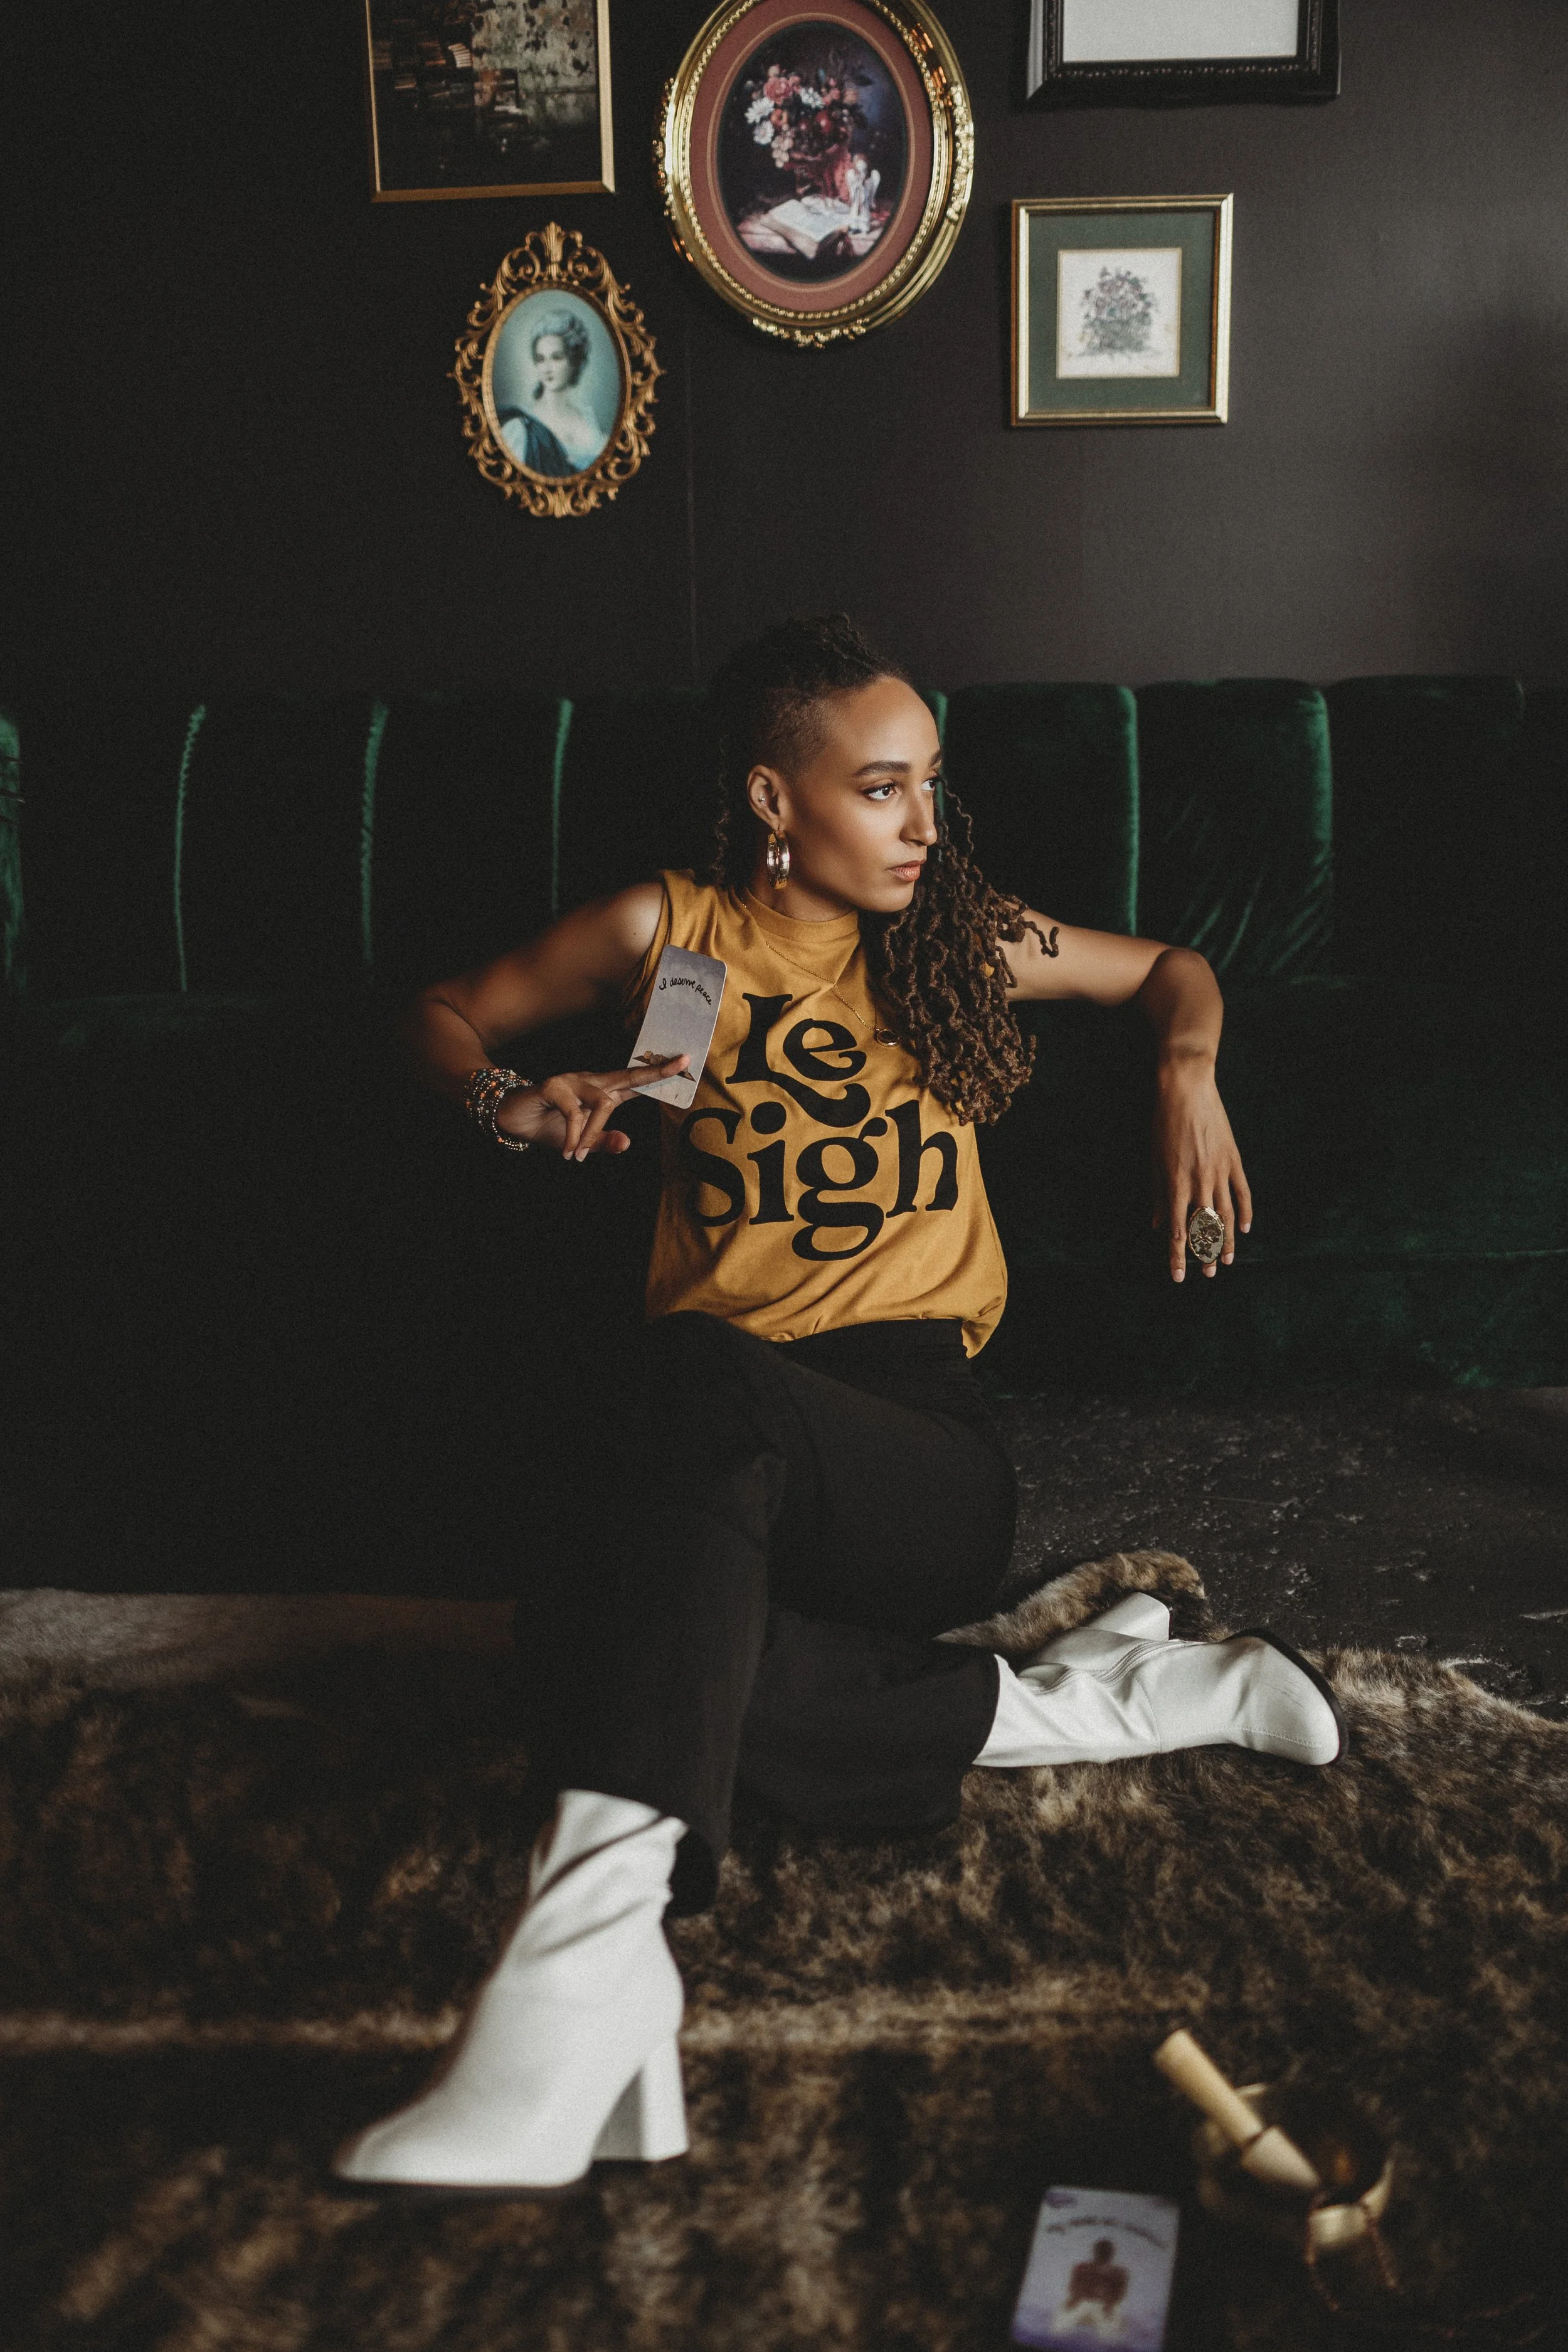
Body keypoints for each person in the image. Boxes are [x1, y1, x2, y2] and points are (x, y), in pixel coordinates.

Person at [332, 614, 1345, 2200]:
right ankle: (1098, 1703)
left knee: (638, 1542)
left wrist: (1185, 1069)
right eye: (884, 788)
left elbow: (1171, 970)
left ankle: (580, 1981)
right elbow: (437, 1013)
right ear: (771, 797)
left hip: (912, 1456)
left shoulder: (958, 931)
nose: (928, 824)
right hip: (715, 1453)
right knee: (595, 1640)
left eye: (934, 784)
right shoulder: (671, 937)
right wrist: (515, 1100)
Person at [497, 309, 606, 478]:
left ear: (573, 361)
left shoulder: (588, 418)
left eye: (556, 358)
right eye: (541, 359)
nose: (547, 369)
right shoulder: (522, 427)